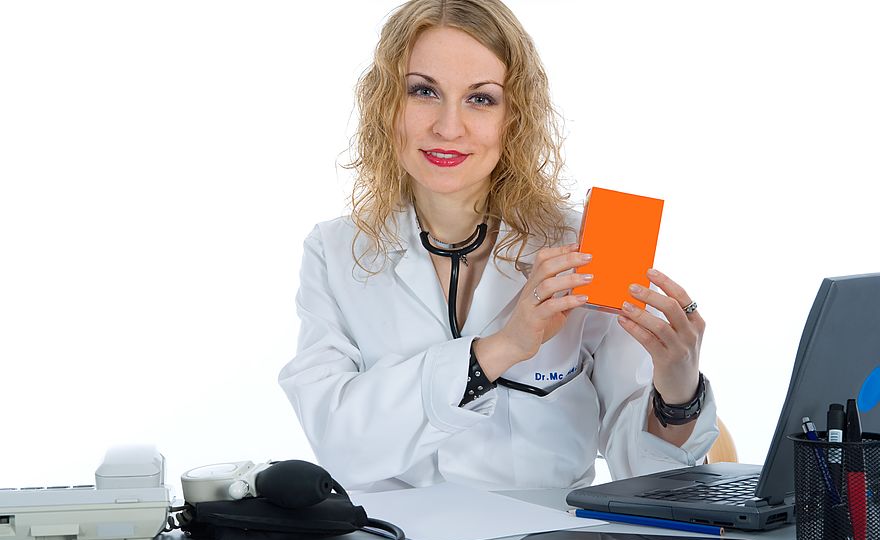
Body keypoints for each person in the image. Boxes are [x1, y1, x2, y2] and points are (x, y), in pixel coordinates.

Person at [278, 0, 719, 492]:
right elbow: (340, 442)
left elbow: (648, 477)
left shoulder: (585, 247)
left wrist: (678, 388)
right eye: (423, 91)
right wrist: (502, 348)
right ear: (386, 105)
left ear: (516, 116)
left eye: (481, 98)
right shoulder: (336, 251)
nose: (448, 127)